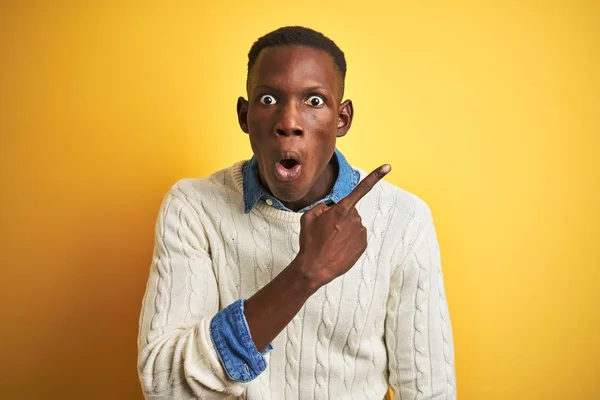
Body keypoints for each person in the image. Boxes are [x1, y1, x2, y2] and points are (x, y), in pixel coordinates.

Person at [137, 26, 456, 400]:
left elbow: (429, 391)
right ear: (244, 115)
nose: (288, 122)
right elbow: (162, 385)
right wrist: (305, 274)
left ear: (342, 118)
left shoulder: (404, 221)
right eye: (269, 99)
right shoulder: (193, 208)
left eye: (315, 101)